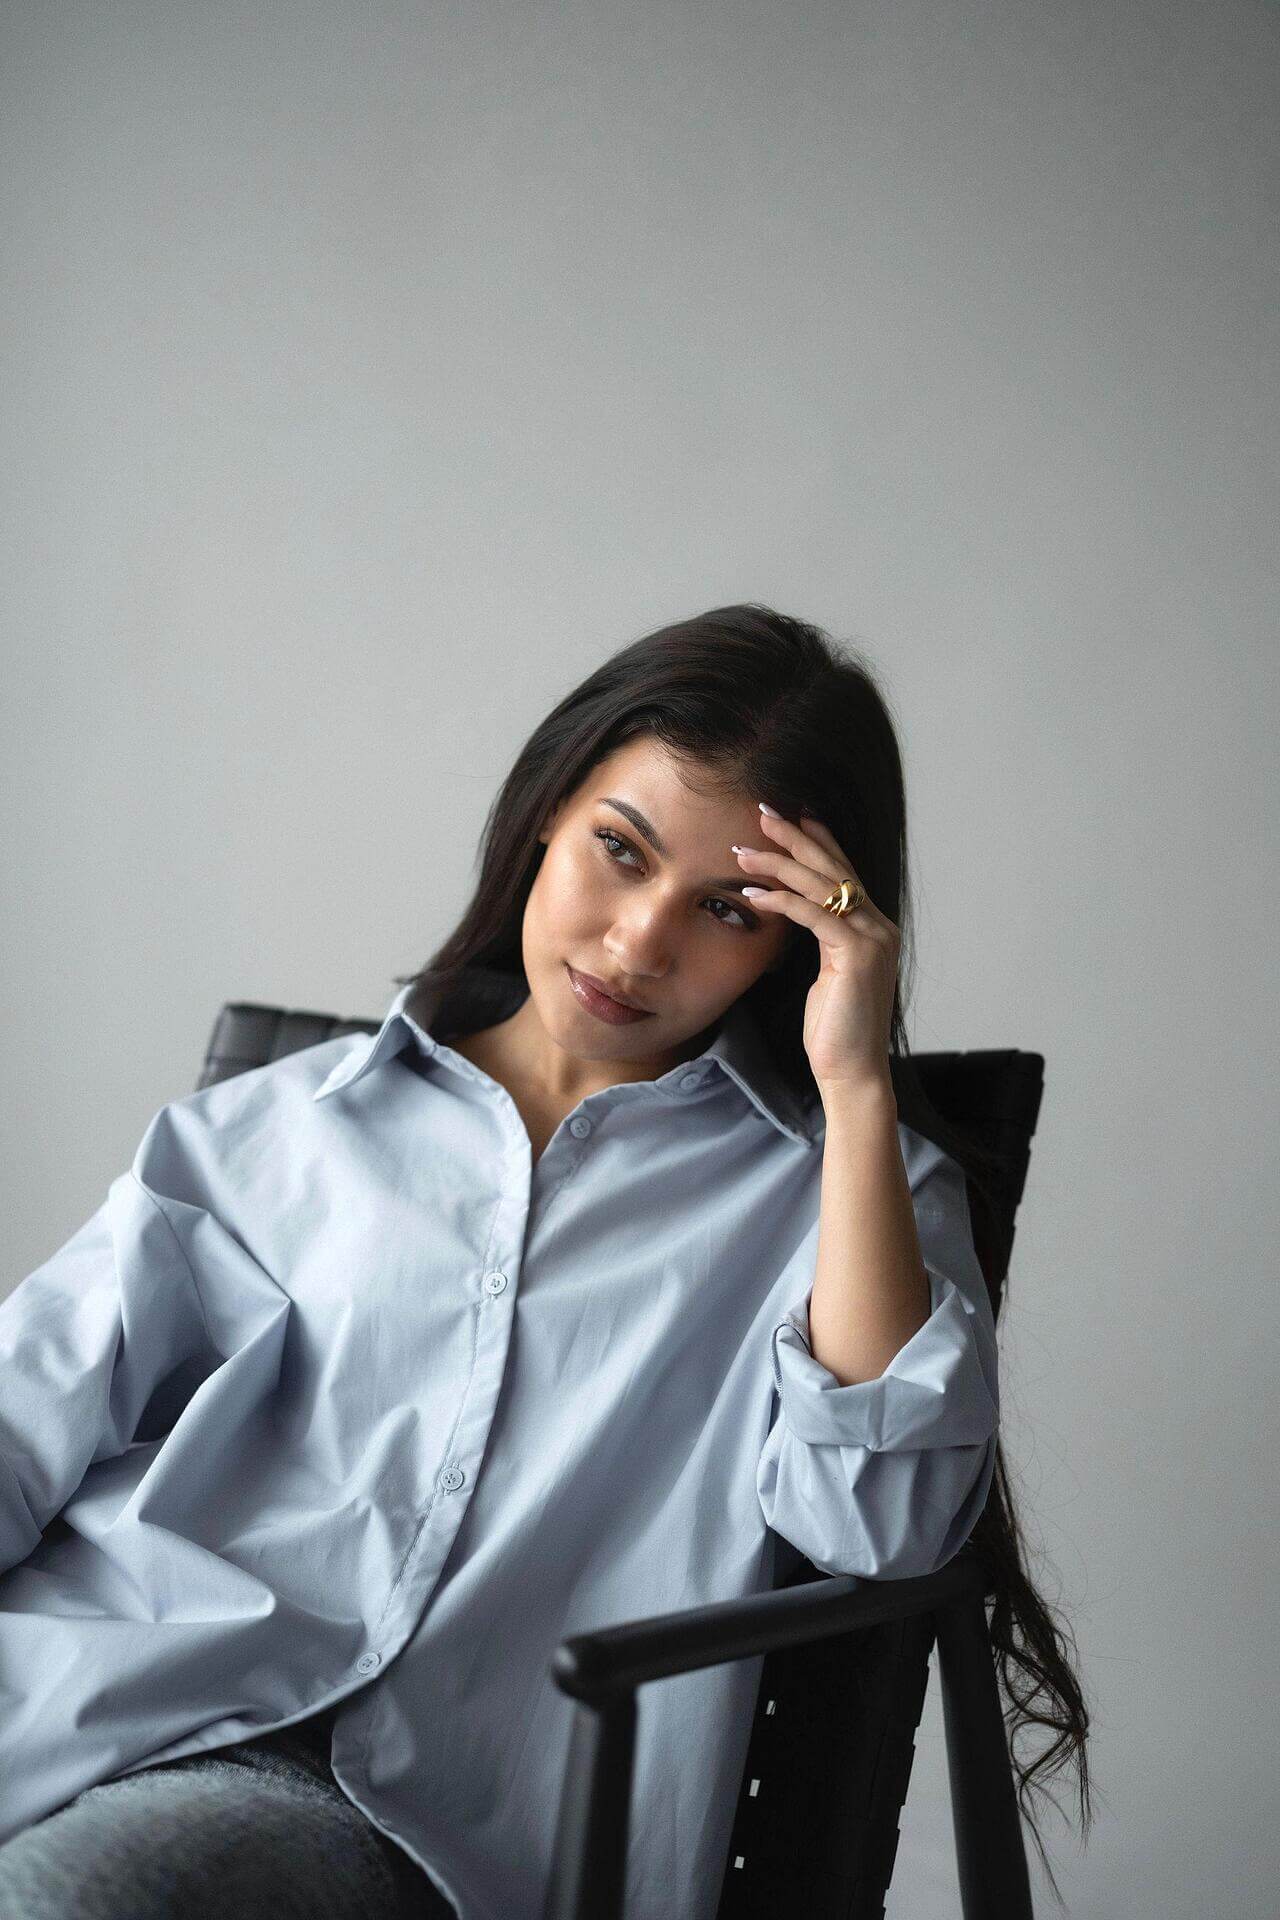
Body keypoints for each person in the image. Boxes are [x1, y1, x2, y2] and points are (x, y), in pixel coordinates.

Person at [0, 604, 1091, 1919]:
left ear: (797, 940)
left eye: (730, 911)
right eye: (617, 852)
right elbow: (30, 1399)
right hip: (75, 1700)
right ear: (543, 815)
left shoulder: (846, 1202)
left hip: (394, 1819)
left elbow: (885, 1529)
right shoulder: (280, 1131)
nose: (638, 944)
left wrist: (857, 1083)